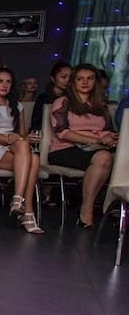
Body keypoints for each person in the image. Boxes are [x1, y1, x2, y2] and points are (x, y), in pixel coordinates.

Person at [48, 64, 118, 228]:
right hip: (64, 149)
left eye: (90, 79)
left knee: (115, 158)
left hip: (96, 149)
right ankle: (87, 209)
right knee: (104, 157)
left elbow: (108, 131)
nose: (85, 82)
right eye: (80, 79)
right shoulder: (62, 102)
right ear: (73, 82)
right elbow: (62, 132)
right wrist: (96, 140)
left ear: (95, 82)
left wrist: (111, 138)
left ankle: (112, 209)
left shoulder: (100, 105)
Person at [0, 67, 43, 234]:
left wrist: (26, 138)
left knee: (30, 153)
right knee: (33, 159)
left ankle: (18, 200)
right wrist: (10, 138)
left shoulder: (17, 105)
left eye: (8, 82)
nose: (4, 85)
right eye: (0, 81)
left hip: (15, 145)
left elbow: (22, 133)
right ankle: (27, 211)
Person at [30, 61, 72, 134]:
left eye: (71, 77)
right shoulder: (44, 98)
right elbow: (36, 123)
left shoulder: (72, 98)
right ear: (53, 78)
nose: (67, 80)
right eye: (63, 77)